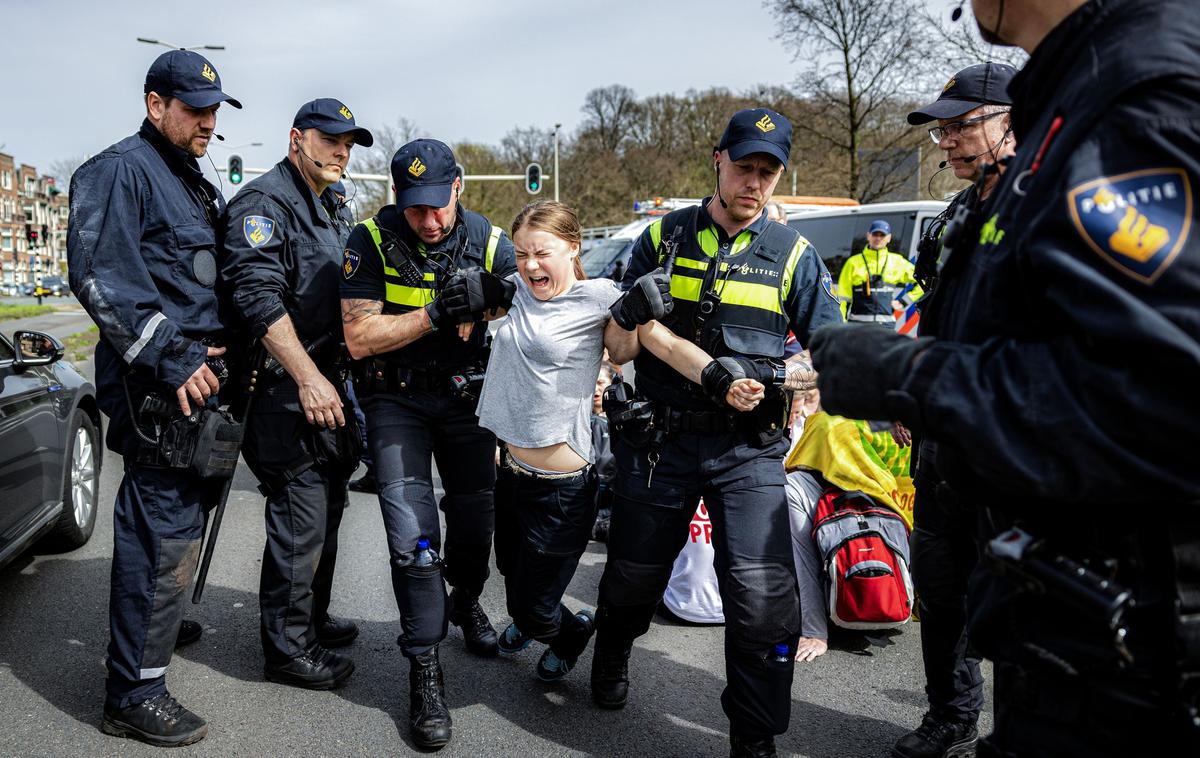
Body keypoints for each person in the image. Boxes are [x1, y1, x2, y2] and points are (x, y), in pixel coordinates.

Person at [811, 0, 1200, 754]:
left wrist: (909, 376)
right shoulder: (1078, 93)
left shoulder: (1140, 86)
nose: (951, 138)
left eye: (964, 122)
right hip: (1067, 627)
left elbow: (1165, 394)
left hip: (1132, 661)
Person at [591, 107, 843, 758]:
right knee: (633, 579)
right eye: (743, 167)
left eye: (767, 172)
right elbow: (617, 350)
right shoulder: (662, 238)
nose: (753, 182)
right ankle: (613, 652)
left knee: (762, 602)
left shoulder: (793, 254)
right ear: (718, 160)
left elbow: (831, 348)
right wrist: (626, 311)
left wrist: (794, 380)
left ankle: (754, 739)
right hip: (661, 443)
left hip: (749, 448)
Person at [67, 49, 240, 747]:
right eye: (194, 108)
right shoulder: (119, 171)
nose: (207, 122)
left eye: (213, 111)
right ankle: (133, 691)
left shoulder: (190, 180)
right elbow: (102, 277)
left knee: (182, 524)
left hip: (200, 385)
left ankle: (155, 626)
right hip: (159, 387)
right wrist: (173, 356)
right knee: (159, 531)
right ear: (154, 104)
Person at [340, 138, 516, 750]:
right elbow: (359, 336)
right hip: (396, 403)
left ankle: (465, 600)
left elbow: (532, 304)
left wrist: (496, 300)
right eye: (417, 209)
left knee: (475, 525)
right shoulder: (369, 239)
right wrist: (435, 314)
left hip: (470, 402)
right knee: (413, 540)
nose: (431, 221)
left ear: (459, 188)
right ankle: (425, 667)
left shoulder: (490, 238)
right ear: (397, 198)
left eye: (440, 206)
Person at [886, 61, 1017, 758]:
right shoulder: (954, 217)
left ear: (1013, 121)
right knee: (941, 592)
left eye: (963, 124)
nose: (947, 141)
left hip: (1012, 454)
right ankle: (952, 713)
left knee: (1022, 606)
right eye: (942, 128)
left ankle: (1018, 734)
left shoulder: (1051, 206)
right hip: (939, 449)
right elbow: (927, 315)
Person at [220, 98, 374, 690]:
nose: (342, 151)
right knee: (300, 515)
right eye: (330, 140)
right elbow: (259, 300)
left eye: (349, 143)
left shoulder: (329, 204)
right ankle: (287, 648)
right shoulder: (264, 206)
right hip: (283, 389)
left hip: (328, 385)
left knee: (328, 509)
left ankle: (309, 617)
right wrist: (309, 376)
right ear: (296, 140)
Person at [835, 219, 923, 325]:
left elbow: (923, 281)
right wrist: (842, 323)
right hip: (857, 327)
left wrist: (903, 301)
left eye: (882, 235)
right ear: (868, 236)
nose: (878, 238)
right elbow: (843, 297)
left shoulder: (897, 261)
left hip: (885, 327)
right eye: (875, 234)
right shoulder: (853, 263)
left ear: (889, 238)